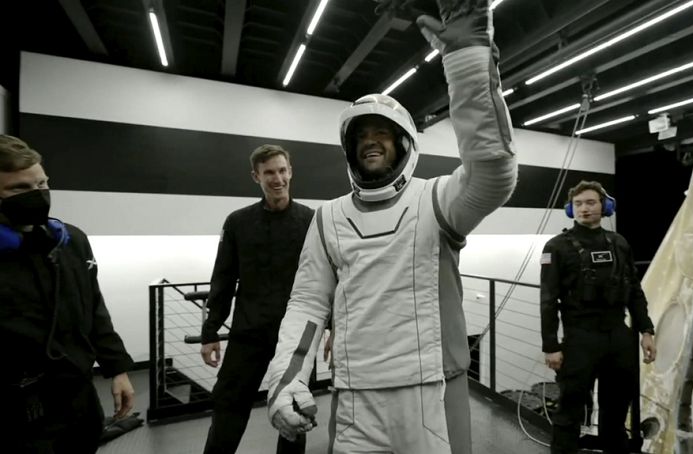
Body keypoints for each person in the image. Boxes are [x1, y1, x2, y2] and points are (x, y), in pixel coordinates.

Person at [264, 1, 518, 452]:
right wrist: (286, 381)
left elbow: (494, 172)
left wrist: (469, 64)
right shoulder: (328, 218)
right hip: (354, 397)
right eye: (361, 136)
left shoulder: (435, 199)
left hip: (432, 392)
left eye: (381, 133)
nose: (370, 142)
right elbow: (306, 304)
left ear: (404, 144)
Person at [0, 134, 135, 453]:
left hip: (78, 397)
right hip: (17, 408)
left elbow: (95, 310)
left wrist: (117, 368)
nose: (37, 195)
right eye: (20, 188)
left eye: (42, 184)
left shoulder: (70, 241)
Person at [200, 144, 314, 454]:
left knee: (294, 413)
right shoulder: (237, 222)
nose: (277, 179)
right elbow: (222, 279)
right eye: (268, 173)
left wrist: (331, 326)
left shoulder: (311, 221)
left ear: (290, 171)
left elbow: (325, 279)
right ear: (256, 177)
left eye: (281, 170)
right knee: (228, 407)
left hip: (294, 338)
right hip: (248, 333)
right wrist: (210, 331)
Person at [539, 180, 657, 454]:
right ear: (571, 209)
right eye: (578, 204)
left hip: (619, 337)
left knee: (615, 411)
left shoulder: (619, 243)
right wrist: (551, 346)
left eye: (590, 202)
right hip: (580, 338)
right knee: (569, 410)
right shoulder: (556, 247)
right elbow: (548, 300)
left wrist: (646, 331)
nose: (584, 209)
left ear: (604, 206)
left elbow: (634, 291)